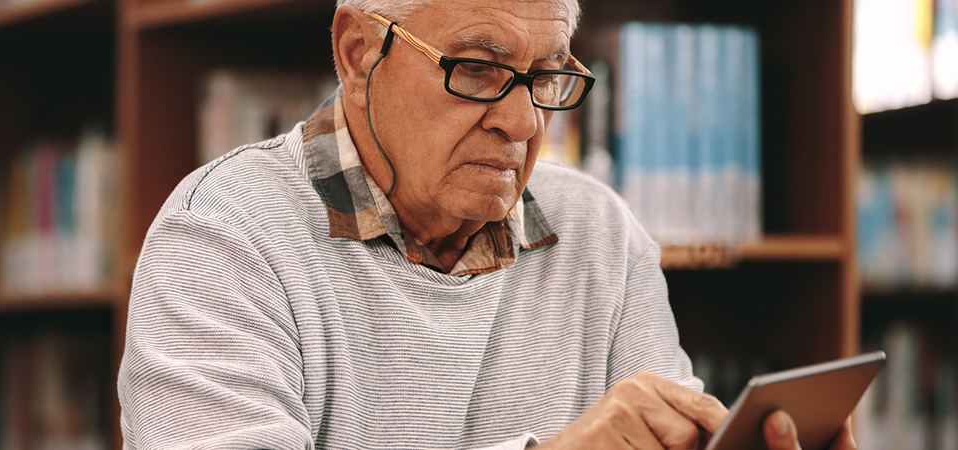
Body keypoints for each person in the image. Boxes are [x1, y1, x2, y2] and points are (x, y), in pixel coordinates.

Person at [117, 0, 859, 448]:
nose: (522, 119)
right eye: (477, 67)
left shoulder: (601, 232)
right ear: (356, 52)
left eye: (546, 77)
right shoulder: (220, 238)